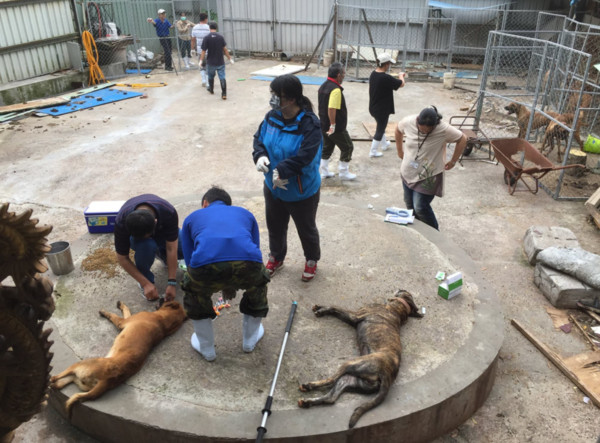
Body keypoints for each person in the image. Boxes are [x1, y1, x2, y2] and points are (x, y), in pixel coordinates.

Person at [180, 187, 269, 362]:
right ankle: (249, 341)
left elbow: (190, 261)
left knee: (195, 294)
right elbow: (254, 252)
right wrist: (232, 283)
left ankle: (206, 348)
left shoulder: (192, 218)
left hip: (204, 266)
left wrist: (212, 282)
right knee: (257, 287)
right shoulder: (245, 214)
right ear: (229, 205)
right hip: (249, 263)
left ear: (205, 203)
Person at [253, 74, 322, 282]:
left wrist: (281, 169)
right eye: (272, 94)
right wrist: (260, 155)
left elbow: (306, 156)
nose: (272, 98)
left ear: (291, 99)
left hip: (301, 190)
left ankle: (311, 259)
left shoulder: (310, 125)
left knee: (306, 229)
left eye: (277, 95)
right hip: (273, 187)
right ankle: (276, 257)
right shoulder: (271, 117)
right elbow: (259, 139)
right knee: (275, 225)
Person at [395, 106, 467, 230]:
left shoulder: (442, 129)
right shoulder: (408, 122)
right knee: (409, 205)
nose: (424, 133)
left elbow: (462, 139)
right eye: (422, 130)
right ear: (418, 121)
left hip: (428, 175)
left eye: (428, 131)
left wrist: (453, 161)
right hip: (408, 172)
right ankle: (418, 230)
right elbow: (397, 130)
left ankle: (435, 234)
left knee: (420, 207)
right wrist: (399, 151)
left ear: (435, 125)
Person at [114, 194, 183, 302]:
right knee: (146, 246)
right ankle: (146, 280)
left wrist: (172, 282)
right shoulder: (121, 221)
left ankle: (162, 254)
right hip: (143, 242)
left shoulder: (169, 212)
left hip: (162, 231)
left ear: (155, 222)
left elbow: (171, 248)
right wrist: (145, 283)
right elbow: (122, 258)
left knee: (184, 246)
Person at [317, 62, 356, 181]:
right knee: (348, 147)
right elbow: (331, 108)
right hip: (335, 126)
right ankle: (344, 172)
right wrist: (333, 125)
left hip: (323, 124)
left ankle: (324, 172)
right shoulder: (335, 90)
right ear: (338, 75)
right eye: (343, 73)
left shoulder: (323, 86)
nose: (344, 76)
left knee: (327, 147)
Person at [368, 53, 406, 158]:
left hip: (373, 107)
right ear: (386, 64)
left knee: (381, 125)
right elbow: (401, 84)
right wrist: (401, 76)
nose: (389, 65)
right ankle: (373, 151)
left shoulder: (373, 74)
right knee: (380, 129)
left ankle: (384, 144)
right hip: (381, 109)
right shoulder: (385, 78)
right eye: (389, 63)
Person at [200, 22, 234, 100]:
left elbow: (203, 51)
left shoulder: (206, 38)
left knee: (211, 76)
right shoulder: (220, 37)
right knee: (222, 77)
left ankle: (211, 90)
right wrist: (230, 59)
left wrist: (201, 60)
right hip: (220, 61)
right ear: (216, 28)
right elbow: (225, 49)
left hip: (210, 62)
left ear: (209, 28)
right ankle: (224, 94)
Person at [191, 13, 210, 86]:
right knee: (208, 65)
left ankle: (203, 80)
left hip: (200, 50)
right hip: (208, 50)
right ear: (205, 19)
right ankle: (208, 82)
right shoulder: (208, 27)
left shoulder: (195, 27)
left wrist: (192, 49)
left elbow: (193, 39)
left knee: (202, 65)